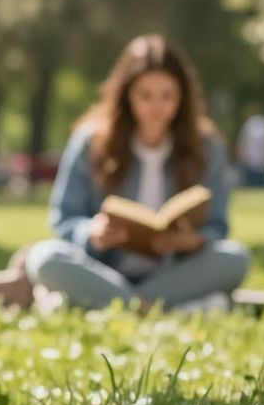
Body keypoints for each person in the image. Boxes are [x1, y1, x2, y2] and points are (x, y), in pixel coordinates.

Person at [21, 36, 249, 310]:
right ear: (126, 94)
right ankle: (156, 306)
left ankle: (114, 304)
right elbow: (65, 218)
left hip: (174, 272)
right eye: (145, 95)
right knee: (43, 258)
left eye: (167, 96)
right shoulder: (90, 141)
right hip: (104, 269)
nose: (157, 107)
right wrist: (92, 232)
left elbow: (217, 226)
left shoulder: (207, 147)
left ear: (183, 97)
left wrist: (192, 241)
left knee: (236, 258)